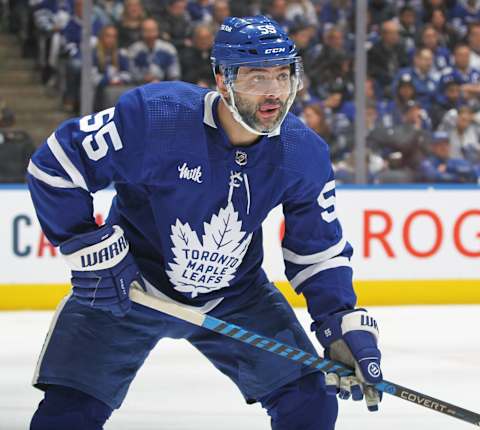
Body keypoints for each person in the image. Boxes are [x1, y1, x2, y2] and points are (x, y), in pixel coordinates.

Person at [27, 16, 383, 430]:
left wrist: (339, 320)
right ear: (221, 79)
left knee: (311, 403)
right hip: (128, 287)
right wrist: (92, 249)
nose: (273, 92)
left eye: (283, 76)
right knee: (67, 414)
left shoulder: (302, 153)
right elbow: (55, 166)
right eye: (255, 77)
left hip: (235, 297)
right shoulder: (156, 116)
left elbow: (317, 251)